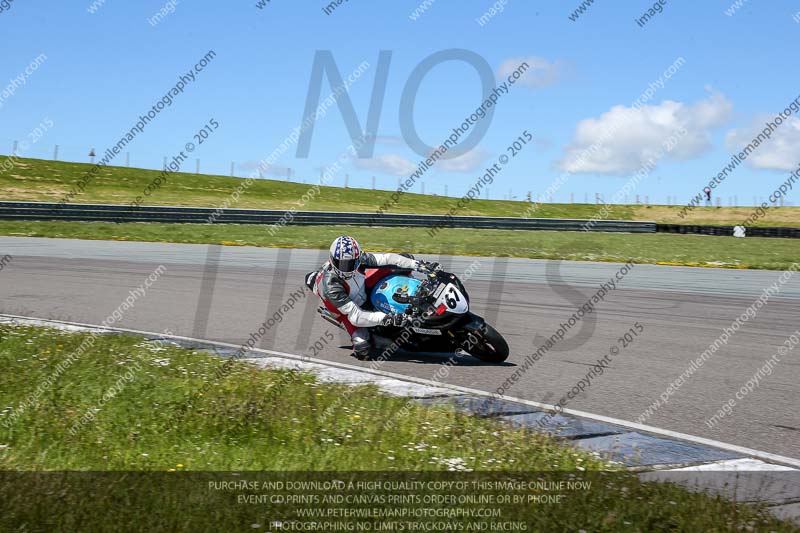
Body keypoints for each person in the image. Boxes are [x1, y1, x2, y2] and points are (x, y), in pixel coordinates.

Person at [306, 235, 439, 360]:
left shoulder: (360, 258)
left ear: (357, 258)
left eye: (351, 263)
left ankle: (413, 288)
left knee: (405, 258)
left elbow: (387, 259)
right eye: (341, 264)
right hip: (348, 310)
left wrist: (418, 265)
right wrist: (388, 318)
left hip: (362, 288)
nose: (346, 269)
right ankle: (378, 336)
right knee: (362, 349)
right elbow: (356, 316)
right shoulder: (331, 286)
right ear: (332, 259)